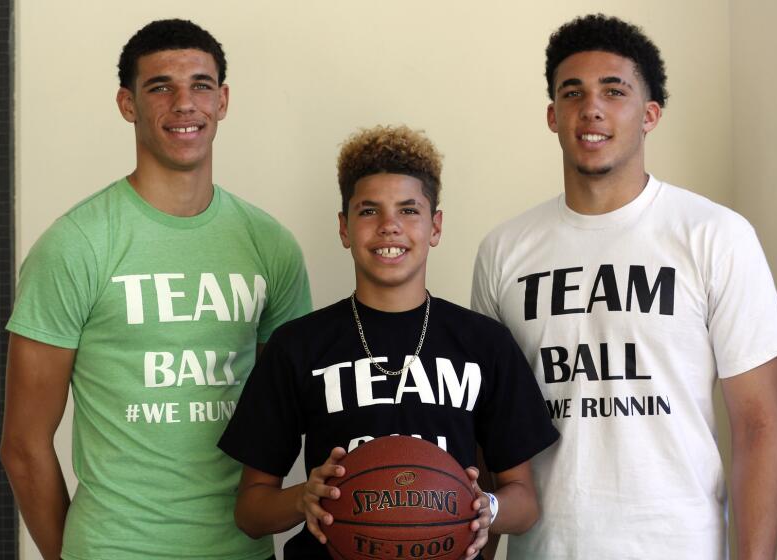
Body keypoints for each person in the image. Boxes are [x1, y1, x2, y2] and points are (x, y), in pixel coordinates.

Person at [472, 13, 777, 560]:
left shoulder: (715, 236)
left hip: (680, 545)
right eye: (573, 93)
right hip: (546, 547)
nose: (591, 107)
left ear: (650, 114)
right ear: (553, 116)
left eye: (613, 91)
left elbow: (759, 425)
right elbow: (487, 432)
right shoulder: (503, 251)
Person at [0, 19, 311, 560]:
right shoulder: (76, 245)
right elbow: (23, 446)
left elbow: (284, 415)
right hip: (114, 547)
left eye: (201, 85)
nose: (184, 103)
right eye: (160, 86)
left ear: (224, 101)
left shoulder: (270, 245)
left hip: (240, 550)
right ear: (128, 104)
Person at [218, 124, 559, 559]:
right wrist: (304, 497)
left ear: (435, 226)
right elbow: (251, 510)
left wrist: (485, 508)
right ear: (344, 228)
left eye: (409, 210)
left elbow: (524, 502)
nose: (389, 227)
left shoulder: (485, 343)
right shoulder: (298, 346)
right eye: (368, 211)